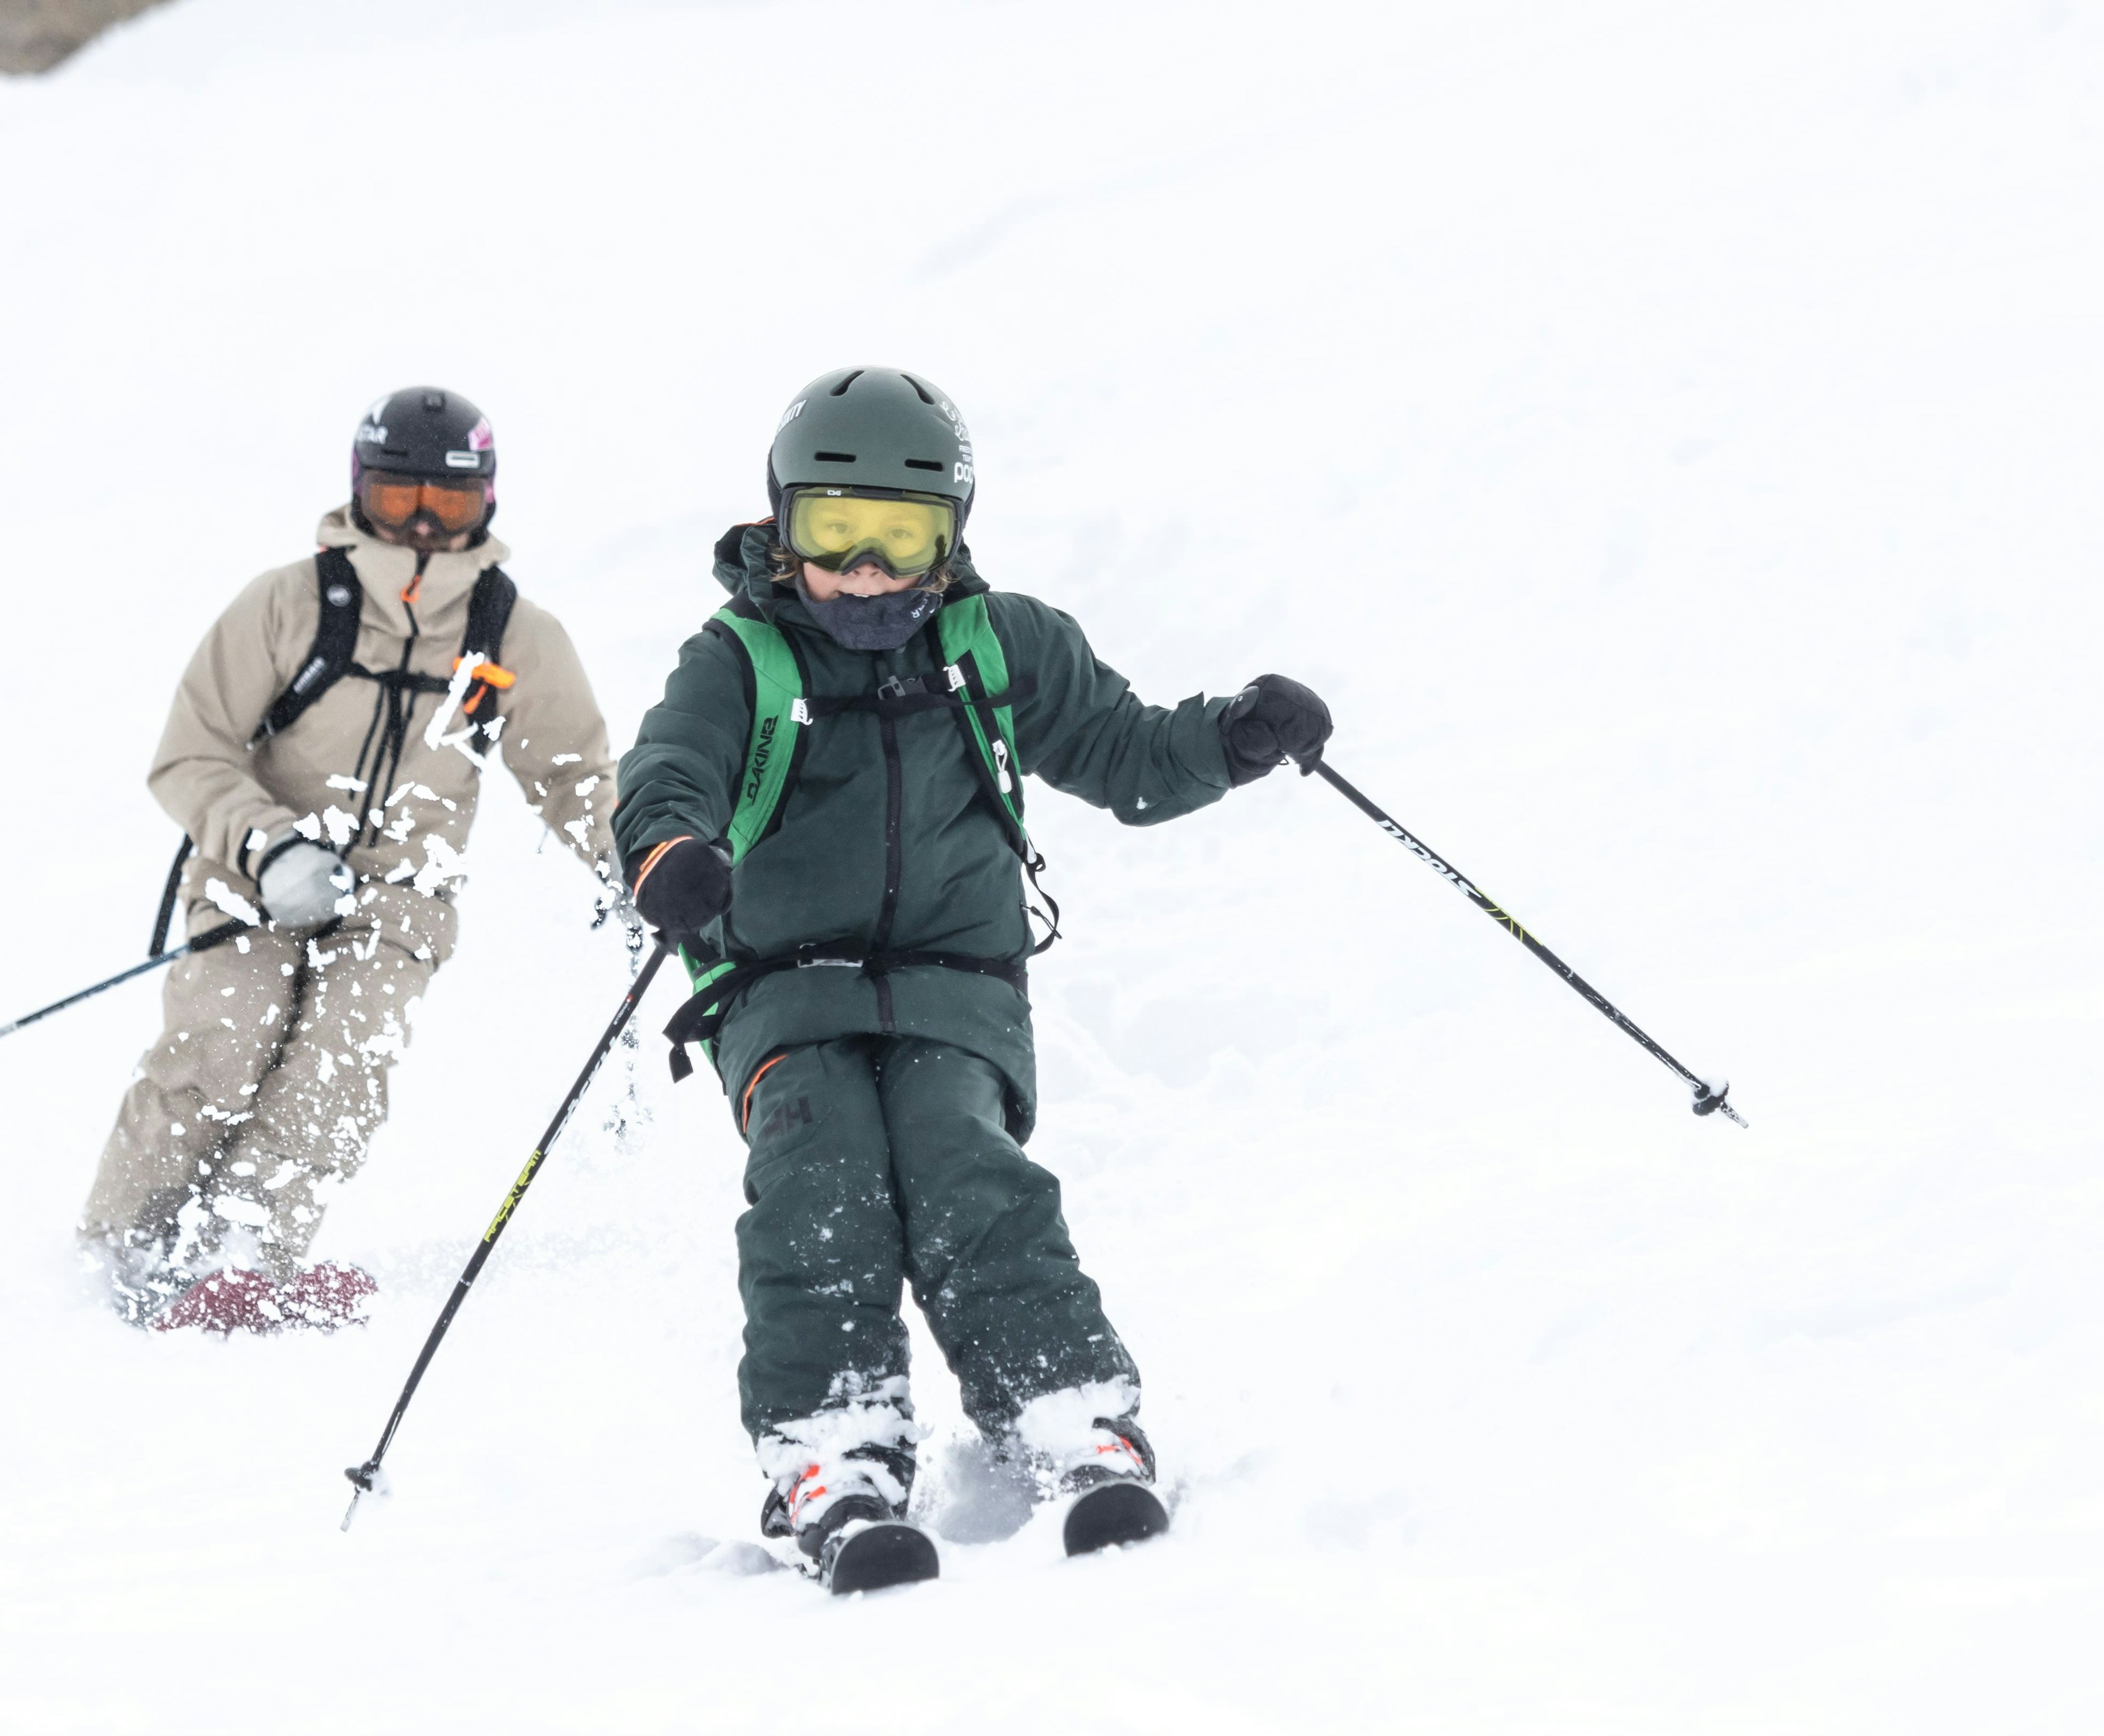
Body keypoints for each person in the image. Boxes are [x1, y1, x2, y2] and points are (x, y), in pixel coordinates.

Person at [614, 367, 1332, 1587]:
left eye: (902, 538)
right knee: (820, 1166)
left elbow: (1124, 751)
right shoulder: (740, 659)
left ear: (952, 536)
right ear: (782, 527)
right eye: (834, 534)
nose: (868, 572)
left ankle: (1067, 1414)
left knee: (964, 1164)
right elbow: (669, 768)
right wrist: (674, 853)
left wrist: (1229, 738)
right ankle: (832, 1449)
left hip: (957, 981)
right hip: (783, 986)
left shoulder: (1000, 647)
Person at [81, 387, 619, 1332]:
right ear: (358, 492)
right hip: (258, 876)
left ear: (485, 503)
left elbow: (576, 777)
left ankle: (244, 1251)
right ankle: (123, 1247)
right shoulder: (289, 604)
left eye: (446, 506)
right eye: (397, 498)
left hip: (401, 896)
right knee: (223, 1047)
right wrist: (267, 842)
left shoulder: (512, 635)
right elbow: (190, 752)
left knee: (338, 1069)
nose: (420, 524)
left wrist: (645, 862)